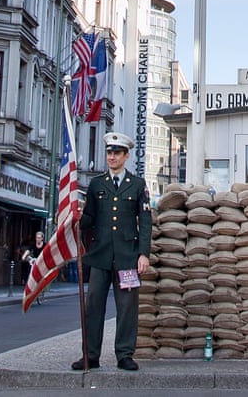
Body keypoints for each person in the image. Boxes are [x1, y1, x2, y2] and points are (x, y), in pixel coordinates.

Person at [72, 132, 153, 373]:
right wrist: (74, 217)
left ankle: (125, 354)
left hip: (128, 256)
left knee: (127, 308)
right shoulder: (97, 184)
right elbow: (89, 219)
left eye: (116, 153)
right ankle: (91, 355)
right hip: (100, 255)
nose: (112, 157)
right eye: (109, 152)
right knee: (93, 304)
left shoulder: (137, 185)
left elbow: (145, 221)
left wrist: (143, 253)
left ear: (126, 156)